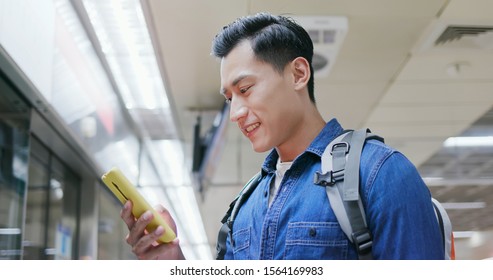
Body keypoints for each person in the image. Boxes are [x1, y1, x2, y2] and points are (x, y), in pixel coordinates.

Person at [120, 12, 444, 260]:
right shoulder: (243, 208)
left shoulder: (379, 175)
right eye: (230, 98)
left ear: (299, 74)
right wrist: (172, 260)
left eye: (245, 89)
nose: (235, 113)